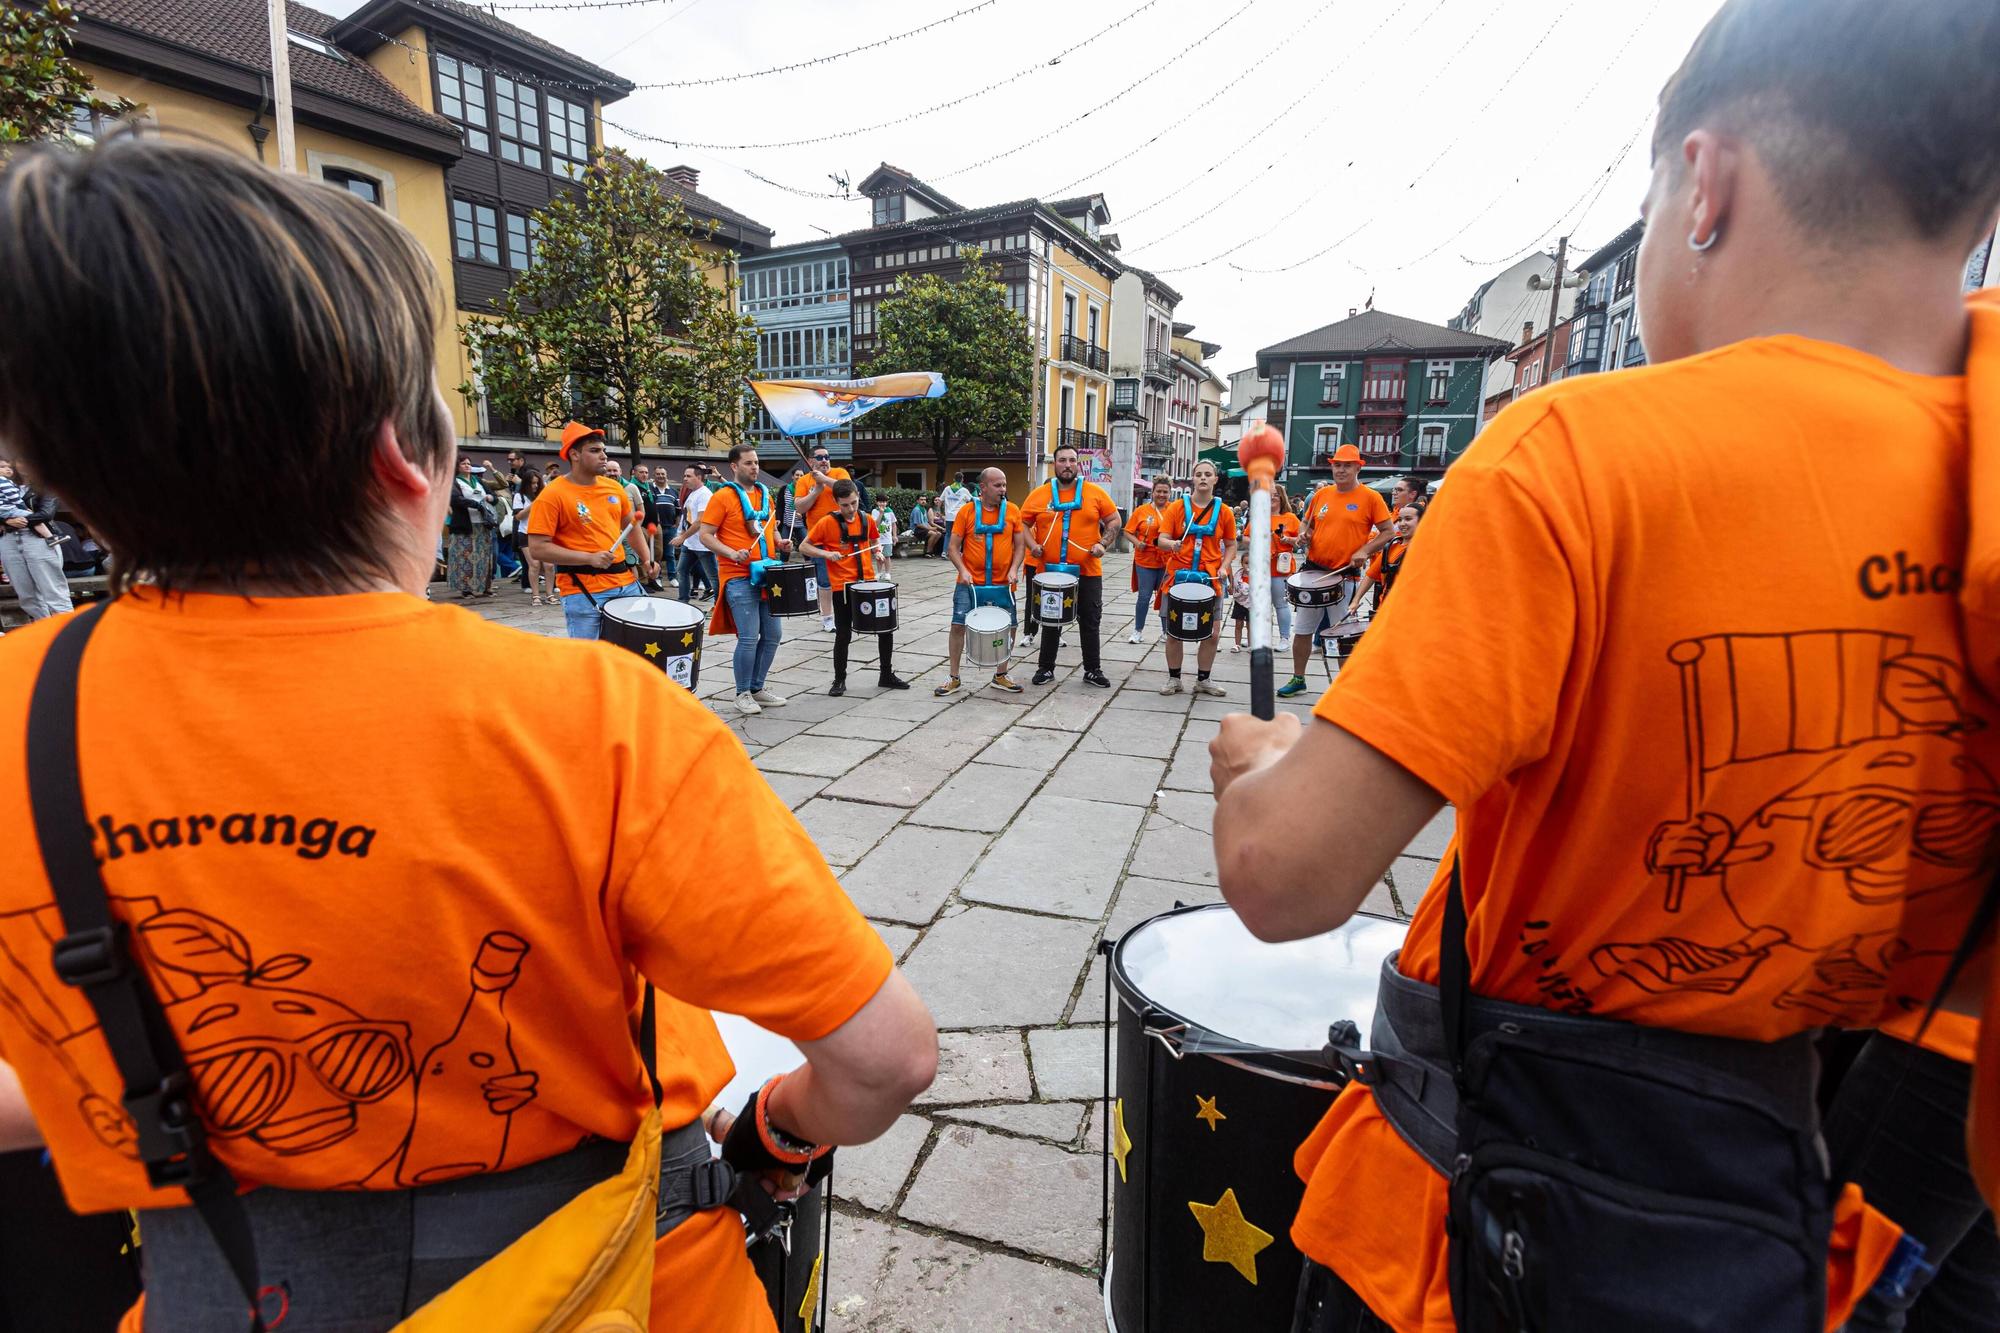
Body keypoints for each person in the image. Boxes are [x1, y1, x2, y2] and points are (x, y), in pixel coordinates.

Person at [0, 132, 938, 1333]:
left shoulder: (23, 715)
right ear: (405, 458)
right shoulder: (590, 719)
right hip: (624, 1293)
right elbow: (887, 1060)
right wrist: (777, 1129)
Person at [1207, 2, 2000, 1326]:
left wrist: (1268, 770)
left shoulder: (1577, 457)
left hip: (1480, 1230)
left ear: (1706, 184)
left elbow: (1286, 881)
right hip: (1786, 1221)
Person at [1277, 443, 1393, 696]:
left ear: (1357, 468)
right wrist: (1304, 534)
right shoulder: (1321, 495)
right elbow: (1307, 523)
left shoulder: (1371, 498)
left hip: (1344, 575)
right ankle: (1298, 678)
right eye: (1337, 465)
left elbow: (1388, 532)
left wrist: (1365, 550)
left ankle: (1345, 687)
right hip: (1314, 572)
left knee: (1344, 633)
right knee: (1303, 630)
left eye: (1346, 466)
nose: (1341, 470)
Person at [525, 423, 650, 638]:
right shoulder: (552, 495)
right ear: (574, 455)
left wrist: (646, 559)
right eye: (594, 451)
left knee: (634, 655)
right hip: (583, 591)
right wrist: (589, 558)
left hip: (626, 584)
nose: (603, 456)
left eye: (603, 450)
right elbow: (537, 548)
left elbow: (631, 526)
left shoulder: (613, 488)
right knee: (590, 662)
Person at [1020, 444, 1121, 688]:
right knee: (1050, 620)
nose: (1067, 464)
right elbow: (1020, 524)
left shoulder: (1094, 493)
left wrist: (1103, 544)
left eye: (1072, 460)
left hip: (1087, 571)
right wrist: (1032, 545)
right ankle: (1045, 668)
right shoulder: (1039, 495)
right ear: (1055, 464)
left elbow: (1114, 520)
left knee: (1090, 621)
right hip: (1050, 572)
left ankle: (1092, 669)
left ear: (1078, 464)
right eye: (1062, 460)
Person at [702, 443, 791, 716]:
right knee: (750, 636)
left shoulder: (766, 495)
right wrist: (731, 553)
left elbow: (770, 528)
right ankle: (742, 693)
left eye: (756, 462)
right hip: (738, 576)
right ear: (734, 466)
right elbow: (705, 534)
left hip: (768, 573)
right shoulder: (722, 497)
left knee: (774, 634)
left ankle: (757, 687)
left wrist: (781, 541)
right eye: (749, 463)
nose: (755, 467)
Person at [800, 479, 909, 697]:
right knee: (843, 633)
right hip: (843, 586)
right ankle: (839, 679)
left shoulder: (867, 519)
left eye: (854, 503)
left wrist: (877, 552)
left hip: (868, 583)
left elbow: (874, 541)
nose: (850, 509)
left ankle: (886, 674)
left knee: (885, 628)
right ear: (836, 502)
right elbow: (804, 546)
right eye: (845, 505)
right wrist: (826, 554)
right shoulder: (826, 523)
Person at [938, 467, 1025, 697]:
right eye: (998, 485)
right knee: (958, 625)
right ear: (983, 487)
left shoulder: (1013, 511)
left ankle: (1001, 674)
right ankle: (954, 677)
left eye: (1004, 485)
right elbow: (953, 548)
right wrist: (963, 570)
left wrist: (1015, 569)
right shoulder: (966, 512)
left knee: (1011, 626)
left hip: (1004, 583)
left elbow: (1020, 546)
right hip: (969, 583)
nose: (1003, 490)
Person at [1153, 458, 1236, 697]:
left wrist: (1225, 566)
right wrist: (1172, 545)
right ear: (1193, 478)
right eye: (1198, 474)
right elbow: (1162, 539)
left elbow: (1231, 544)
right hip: (1178, 577)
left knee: (1213, 632)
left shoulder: (1225, 512)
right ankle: (1174, 678)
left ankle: (1203, 679)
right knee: (1173, 631)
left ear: (1215, 479)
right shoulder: (1177, 508)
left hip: (1210, 579)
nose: (1202, 478)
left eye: (1207, 474)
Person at [0, 456, 72, 621]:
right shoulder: (7, 484)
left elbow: (46, 514)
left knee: (53, 590)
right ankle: (43, 632)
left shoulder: (46, 486)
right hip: (8, 539)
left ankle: (66, 631)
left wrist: (12, 521)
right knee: (26, 595)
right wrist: (7, 520)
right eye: (20, 461)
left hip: (37, 538)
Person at [790, 444, 851, 632]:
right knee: (824, 581)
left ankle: (847, 614)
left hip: (844, 535)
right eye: (819, 457)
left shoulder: (839, 473)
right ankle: (827, 618)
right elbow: (799, 507)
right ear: (810, 461)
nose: (824, 460)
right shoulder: (804, 481)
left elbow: (848, 490)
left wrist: (824, 479)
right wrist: (816, 489)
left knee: (848, 578)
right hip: (819, 539)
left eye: (827, 456)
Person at [1336, 503, 1421, 628]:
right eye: (1400, 519)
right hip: (1386, 609)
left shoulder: (1426, 548)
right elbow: (1371, 575)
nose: (1402, 524)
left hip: (1413, 612)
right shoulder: (1392, 546)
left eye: (1408, 519)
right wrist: (1355, 600)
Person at [1126, 474, 1174, 642]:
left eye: (1165, 492)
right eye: (1158, 491)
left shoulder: (1174, 510)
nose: (1161, 495)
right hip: (1145, 560)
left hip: (1167, 561)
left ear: (1170, 493)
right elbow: (1127, 531)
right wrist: (1137, 542)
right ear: (1152, 492)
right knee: (1144, 597)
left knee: (1166, 597)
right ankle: (1137, 631)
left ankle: (1166, 632)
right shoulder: (1141, 511)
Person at [445, 454, 498, 599]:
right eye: (463, 464)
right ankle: (466, 589)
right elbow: (456, 499)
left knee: (484, 557)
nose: (467, 465)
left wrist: (489, 498)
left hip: (482, 525)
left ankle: (485, 587)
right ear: (457, 467)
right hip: (465, 524)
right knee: (464, 557)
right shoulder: (454, 482)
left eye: (468, 463)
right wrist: (476, 504)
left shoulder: (479, 481)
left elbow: (495, 497)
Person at [671, 464, 716, 602]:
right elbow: (687, 518)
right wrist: (681, 535)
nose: (685, 479)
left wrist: (682, 537)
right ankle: (683, 601)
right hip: (690, 544)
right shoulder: (693, 493)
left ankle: (720, 605)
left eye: (688, 476)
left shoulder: (705, 494)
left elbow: (700, 520)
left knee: (713, 577)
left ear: (699, 477)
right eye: (684, 476)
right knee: (682, 571)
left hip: (703, 544)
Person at [1269, 482, 1300, 641]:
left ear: (1282, 498)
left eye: (1276, 495)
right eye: (1269, 494)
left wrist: (1288, 539)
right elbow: (1246, 537)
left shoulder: (1291, 518)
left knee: (1281, 604)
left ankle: (1284, 638)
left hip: (1281, 568)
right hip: (1261, 567)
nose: (1272, 497)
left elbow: (1301, 541)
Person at [935, 474, 972, 558]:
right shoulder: (964, 490)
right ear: (962, 479)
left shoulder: (947, 489)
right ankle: (958, 552)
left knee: (948, 534)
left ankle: (944, 552)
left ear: (953, 479)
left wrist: (938, 512)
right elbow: (971, 500)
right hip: (960, 516)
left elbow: (940, 501)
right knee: (960, 534)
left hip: (949, 516)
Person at [871, 496, 898, 577]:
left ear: (887, 502)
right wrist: (881, 513)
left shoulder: (890, 511)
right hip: (878, 539)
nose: (882, 504)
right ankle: (879, 572)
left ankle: (887, 573)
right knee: (878, 556)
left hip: (887, 539)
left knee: (887, 556)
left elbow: (894, 524)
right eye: (880, 502)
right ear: (877, 502)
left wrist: (894, 535)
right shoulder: (875, 511)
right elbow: (875, 524)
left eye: (884, 502)